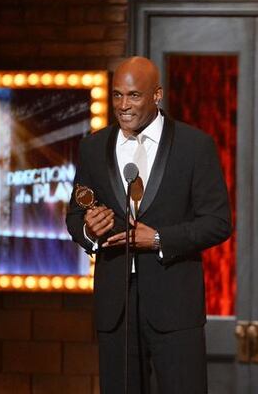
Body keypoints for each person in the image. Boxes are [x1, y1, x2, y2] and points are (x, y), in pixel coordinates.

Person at [66, 56, 231, 393]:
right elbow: (75, 216)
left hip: (175, 309)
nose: (123, 106)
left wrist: (158, 238)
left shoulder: (194, 146)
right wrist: (89, 231)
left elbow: (217, 222)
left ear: (157, 95)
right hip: (116, 311)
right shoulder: (94, 147)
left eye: (133, 96)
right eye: (117, 96)